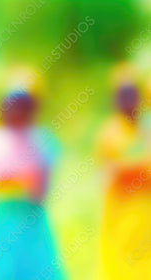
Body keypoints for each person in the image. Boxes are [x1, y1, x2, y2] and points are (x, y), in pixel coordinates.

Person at [0, 92, 62, 279]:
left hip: (30, 217)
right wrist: (10, 179)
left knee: (36, 267)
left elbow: (40, 188)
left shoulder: (40, 139)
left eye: (22, 108)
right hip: (2, 217)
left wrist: (12, 179)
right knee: (5, 268)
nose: (17, 113)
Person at [97, 84, 151, 279]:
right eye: (123, 97)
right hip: (121, 210)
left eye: (132, 97)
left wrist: (126, 169)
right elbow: (108, 174)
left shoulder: (147, 128)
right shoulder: (110, 133)